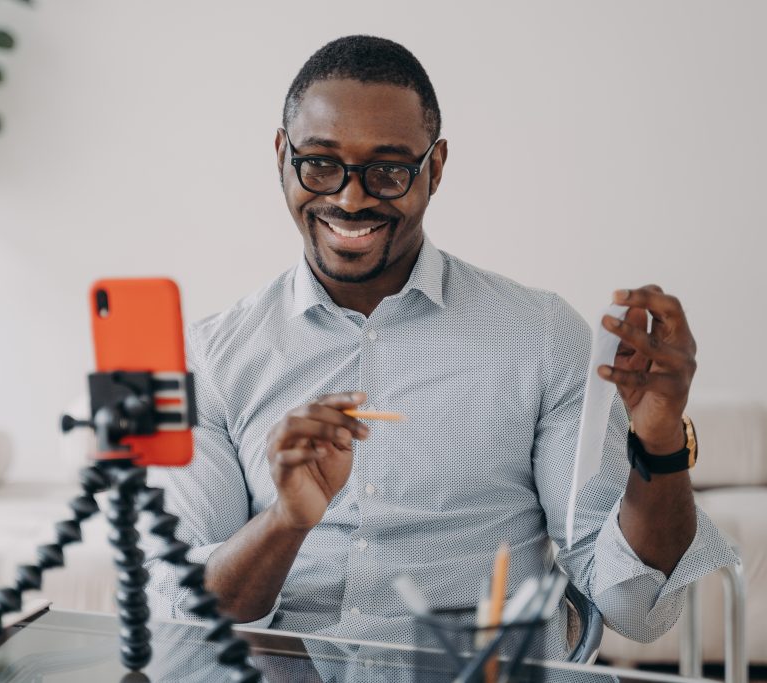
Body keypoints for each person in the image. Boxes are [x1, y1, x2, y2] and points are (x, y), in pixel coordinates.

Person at [145, 35, 737, 658]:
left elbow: (637, 606)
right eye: (320, 163)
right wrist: (283, 523)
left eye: (389, 170)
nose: (350, 198)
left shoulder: (541, 336)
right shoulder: (208, 358)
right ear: (281, 156)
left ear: (435, 167)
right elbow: (181, 614)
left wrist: (661, 441)